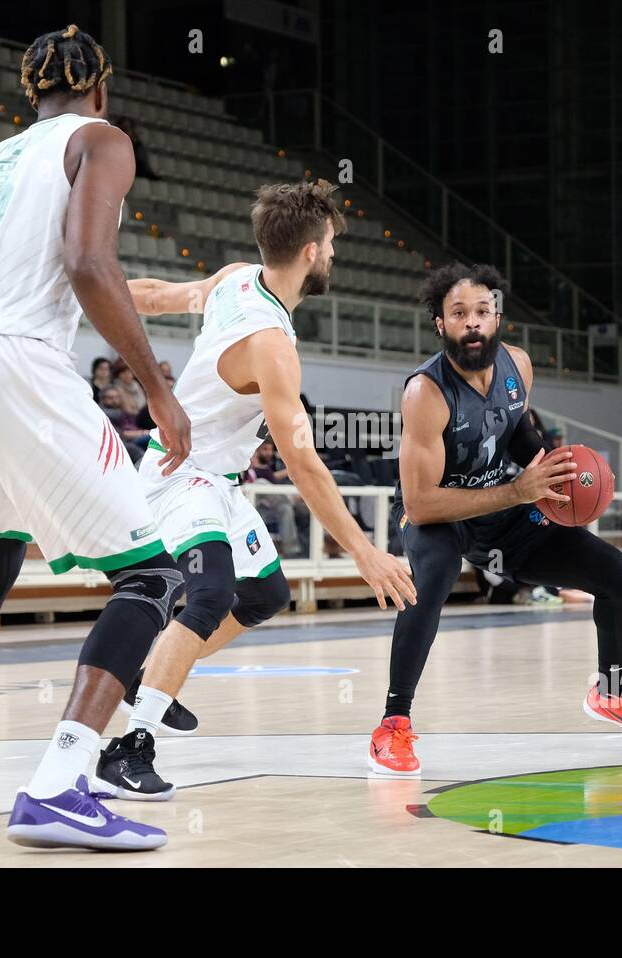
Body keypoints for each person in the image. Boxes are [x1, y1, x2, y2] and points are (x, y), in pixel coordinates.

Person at [0, 23, 192, 852]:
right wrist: (158, 390)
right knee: (154, 575)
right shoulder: (103, 139)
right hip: (18, 360)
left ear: (32, 92)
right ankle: (62, 782)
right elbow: (91, 263)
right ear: (102, 88)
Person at [102, 180, 416, 798]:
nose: (332, 256)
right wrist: (362, 551)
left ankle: (152, 679)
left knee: (265, 594)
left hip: (214, 479)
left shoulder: (235, 278)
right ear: (309, 252)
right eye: (329, 245)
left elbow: (159, 297)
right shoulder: (273, 347)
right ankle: (129, 746)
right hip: (178, 474)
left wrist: (85, 289)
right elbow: (302, 464)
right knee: (211, 592)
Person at [359, 262, 622, 777]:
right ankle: (392, 724)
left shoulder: (518, 366)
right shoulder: (426, 393)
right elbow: (420, 504)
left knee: (619, 577)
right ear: (441, 324)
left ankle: (612, 694)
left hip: (505, 509)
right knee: (432, 580)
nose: (474, 323)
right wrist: (518, 489)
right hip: (442, 514)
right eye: (459, 313)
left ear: (496, 316)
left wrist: (556, 472)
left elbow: (516, 431)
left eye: (483, 311)